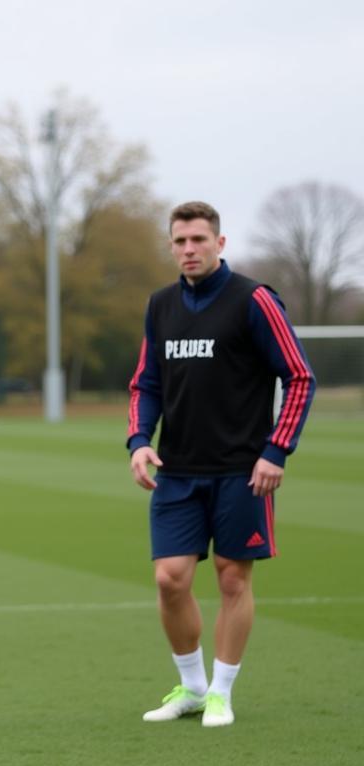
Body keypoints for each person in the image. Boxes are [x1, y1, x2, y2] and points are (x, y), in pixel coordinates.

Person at [127, 201, 314, 728]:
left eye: (199, 240)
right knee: (170, 579)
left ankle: (221, 694)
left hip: (242, 470)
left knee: (233, 580)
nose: (189, 249)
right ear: (171, 246)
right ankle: (190, 687)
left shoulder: (253, 300)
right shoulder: (160, 305)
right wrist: (140, 440)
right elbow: (147, 382)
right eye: (180, 241)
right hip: (178, 471)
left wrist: (276, 450)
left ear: (220, 243)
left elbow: (299, 376)